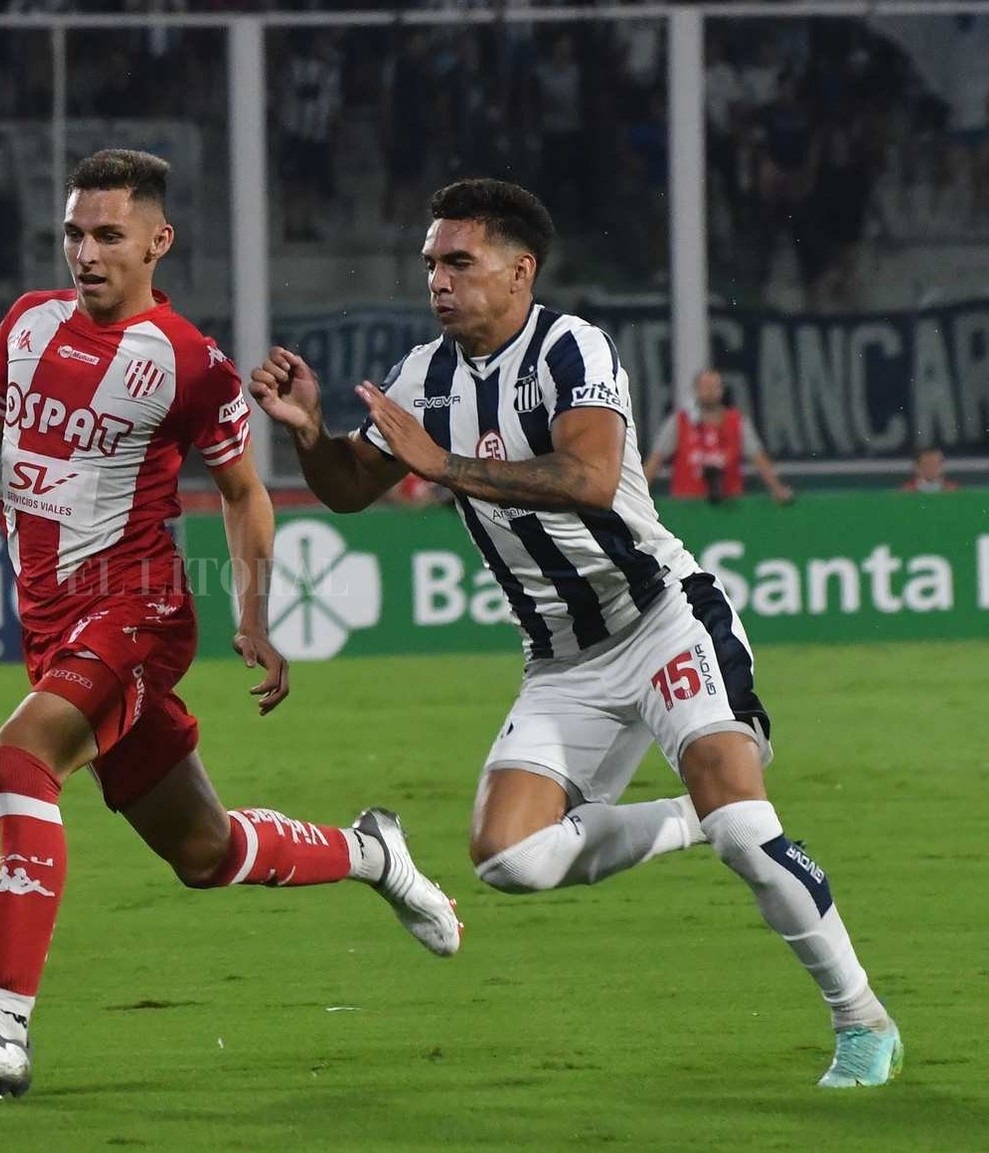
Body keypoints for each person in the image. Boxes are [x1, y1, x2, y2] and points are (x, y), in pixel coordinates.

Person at [250, 177, 901, 1089]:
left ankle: (861, 1021)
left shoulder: (569, 346)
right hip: (561, 660)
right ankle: (686, 820)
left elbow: (591, 477)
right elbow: (350, 486)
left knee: (749, 829)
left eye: (458, 261)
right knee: (508, 859)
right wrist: (310, 434)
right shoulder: (421, 376)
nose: (437, 279)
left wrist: (446, 464)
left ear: (519, 271)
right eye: (430, 262)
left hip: (663, 618)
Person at [0, 149, 459, 1100]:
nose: (84, 253)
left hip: (137, 610)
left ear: (155, 241)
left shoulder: (189, 364)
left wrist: (254, 615)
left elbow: (244, 494)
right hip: (54, 622)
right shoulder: (27, 323)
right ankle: (372, 852)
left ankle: (2, 1027)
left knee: (19, 760)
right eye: (73, 233)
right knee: (204, 852)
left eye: (106, 235)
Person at [643, 367, 795, 504]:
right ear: (696, 390)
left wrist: (777, 488)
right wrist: (639, 495)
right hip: (687, 505)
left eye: (714, 386)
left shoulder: (737, 422)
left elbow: (759, 458)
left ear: (722, 390)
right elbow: (656, 460)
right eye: (705, 387)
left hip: (730, 504)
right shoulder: (679, 422)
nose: (709, 391)